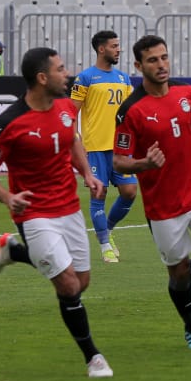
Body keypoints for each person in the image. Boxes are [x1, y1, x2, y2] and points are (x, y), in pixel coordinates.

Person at [0, 47, 113, 378]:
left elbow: (72, 141)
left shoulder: (66, 108)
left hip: (68, 208)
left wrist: (88, 174)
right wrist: (8, 198)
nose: (67, 74)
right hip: (34, 214)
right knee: (67, 286)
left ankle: (15, 252)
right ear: (42, 78)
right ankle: (93, 357)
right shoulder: (8, 123)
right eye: (61, 69)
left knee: (81, 283)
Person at [113, 35, 191, 350]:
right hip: (163, 207)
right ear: (139, 66)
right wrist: (142, 163)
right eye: (153, 60)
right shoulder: (131, 110)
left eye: (164, 57)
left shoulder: (185, 93)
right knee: (176, 275)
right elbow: (118, 159)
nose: (161, 64)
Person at [71, 30, 137, 263]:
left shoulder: (123, 78)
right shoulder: (86, 78)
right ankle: (104, 245)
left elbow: (130, 113)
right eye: (114, 46)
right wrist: (77, 142)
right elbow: (71, 113)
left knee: (129, 192)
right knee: (98, 192)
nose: (119, 49)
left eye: (119, 45)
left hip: (121, 148)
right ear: (101, 49)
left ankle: (107, 229)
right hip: (96, 147)